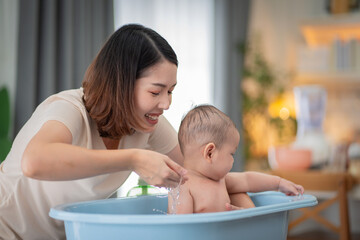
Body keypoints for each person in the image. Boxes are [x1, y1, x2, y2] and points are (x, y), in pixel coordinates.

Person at [0, 24, 188, 240]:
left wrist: (235, 182)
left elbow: (192, 172)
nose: (166, 103)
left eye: (170, 91)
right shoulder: (70, 108)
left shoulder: (146, 122)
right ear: (122, 83)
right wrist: (134, 159)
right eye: (156, 91)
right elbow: (34, 162)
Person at [168, 105, 304, 214]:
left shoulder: (221, 180)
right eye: (231, 154)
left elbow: (248, 180)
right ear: (210, 153)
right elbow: (180, 230)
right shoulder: (182, 188)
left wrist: (279, 183)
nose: (233, 161)